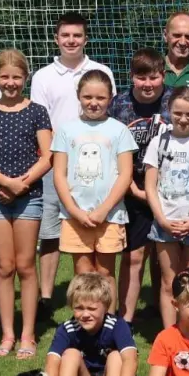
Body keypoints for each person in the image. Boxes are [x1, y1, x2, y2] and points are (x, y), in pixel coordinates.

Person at [30, 12, 114, 308]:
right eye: (65, 35)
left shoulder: (101, 71)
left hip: (96, 167)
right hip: (56, 165)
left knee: (100, 235)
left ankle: (100, 301)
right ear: (57, 38)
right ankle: (44, 297)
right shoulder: (43, 76)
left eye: (77, 35)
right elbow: (42, 123)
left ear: (85, 39)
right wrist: (61, 156)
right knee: (51, 233)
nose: (71, 40)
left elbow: (107, 118)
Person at [0, 48, 52, 358]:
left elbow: (47, 156)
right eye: (4, 77)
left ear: (25, 77)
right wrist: (6, 184)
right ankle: (7, 335)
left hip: (29, 196)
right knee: (4, 267)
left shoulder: (37, 111)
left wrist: (22, 184)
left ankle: (28, 335)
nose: (10, 83)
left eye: (16, 77)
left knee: (25, 265)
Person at [51, 70, 135, 295]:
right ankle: (85, 324)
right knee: (83, 274)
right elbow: (59, 173)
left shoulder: (119, 130)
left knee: (106, 274)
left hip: (110, 216)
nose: (94, 103)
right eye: (88, 97)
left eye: (100, 98)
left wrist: (103, 209)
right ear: (79, 96)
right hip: (75, 216)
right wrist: (73, 210)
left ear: (110, 98)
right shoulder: (66, 130)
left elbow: (125, 175)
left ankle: (108, 326)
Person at [107, 47, 173, 326]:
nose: (148, 84)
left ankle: (176, 321)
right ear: (132, 77)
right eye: (141, 77)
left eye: (154, 77)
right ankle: (126, 320)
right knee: (134, 258)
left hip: (170, 192)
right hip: (131, 191)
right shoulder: (118, 104)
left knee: (170, 261)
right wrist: (133, 189)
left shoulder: (175, 101)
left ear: (163, 76)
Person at [144, 86, 189, 330]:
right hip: (166, 222)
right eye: (178, 113)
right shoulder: (159, 142)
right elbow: (150, 185)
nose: (183, 119)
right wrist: (162, 219)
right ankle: (169, 336)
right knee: (169, 282)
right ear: (169, 111)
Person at [43, 272, 138, 376]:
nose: (85, 314)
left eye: (92, 308)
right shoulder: (67, 328)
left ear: (106, 306)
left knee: (116, 356)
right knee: (70, 354)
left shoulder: (117, 325)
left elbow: (131, 360)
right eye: (79, 308)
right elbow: (52, 361)